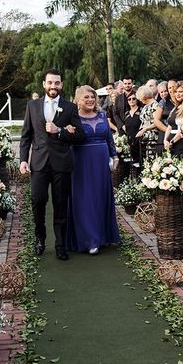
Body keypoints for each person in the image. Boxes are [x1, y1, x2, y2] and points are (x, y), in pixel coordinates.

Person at [19, 68, 84, 260]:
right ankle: (40, 238)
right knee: (37, 201)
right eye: (50, 83)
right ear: (44, 84)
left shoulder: (70, 108)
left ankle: (60, 244)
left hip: (61, 163)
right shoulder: (32, 106)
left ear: (61, 85)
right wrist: (23, 159)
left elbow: (80, 135)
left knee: (60, 204)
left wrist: (60, 131)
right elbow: (26, 136)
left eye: (57, 83)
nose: (53, 86)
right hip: (39, 163)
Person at [65, 85, 120, 254]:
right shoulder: (72, 119)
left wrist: (115, 156)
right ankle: (90, 240)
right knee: (85, 199)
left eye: (92, 97)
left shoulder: (102, 115)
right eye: (86, 97)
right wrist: (67, 132)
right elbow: (66, 140)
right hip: (81, 162)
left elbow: (109, 138)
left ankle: (104, 236)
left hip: (101, 162)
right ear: (77, 100)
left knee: (100, 197)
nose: (90, 100)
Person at [163, 80, 183, 158]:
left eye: (180, 92)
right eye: (176, 92)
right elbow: (169, 126)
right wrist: (165, 140)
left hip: (182, 142)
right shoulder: (175, 107)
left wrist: (173, 141)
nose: (177, 94)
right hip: (171, 142)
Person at [135, 85, 161, 157]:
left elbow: (156, 122)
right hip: (145, 137)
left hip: (153, 136)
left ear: (144, 96)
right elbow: (143, 121)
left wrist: (144, 129)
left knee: (152, 157)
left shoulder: (155, 105)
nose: (139, 100)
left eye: (139, 97)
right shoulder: (145, 106)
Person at [124, 93, 142, 164]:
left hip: (139, 141)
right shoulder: (126, 113)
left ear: (137, 100)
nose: (131, 100)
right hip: (129, 142)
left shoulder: (141, 111)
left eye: (134, 99)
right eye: (129, 99)